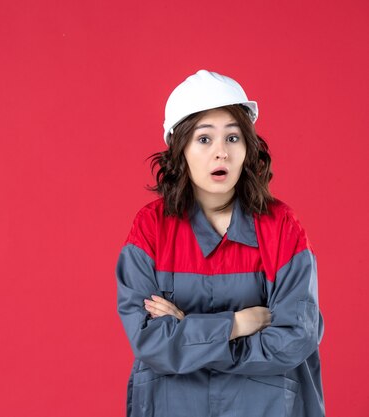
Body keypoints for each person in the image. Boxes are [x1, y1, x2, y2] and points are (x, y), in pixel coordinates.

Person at [115, 69, 325, 417]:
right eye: (203, 139)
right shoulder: (151, 228)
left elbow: (294, 340)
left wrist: (189, 333)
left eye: (232, 138)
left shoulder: (281, 227)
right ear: (179, 149)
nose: (221, 153)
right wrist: (237, 325)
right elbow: (151, 341)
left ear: (248, 147)